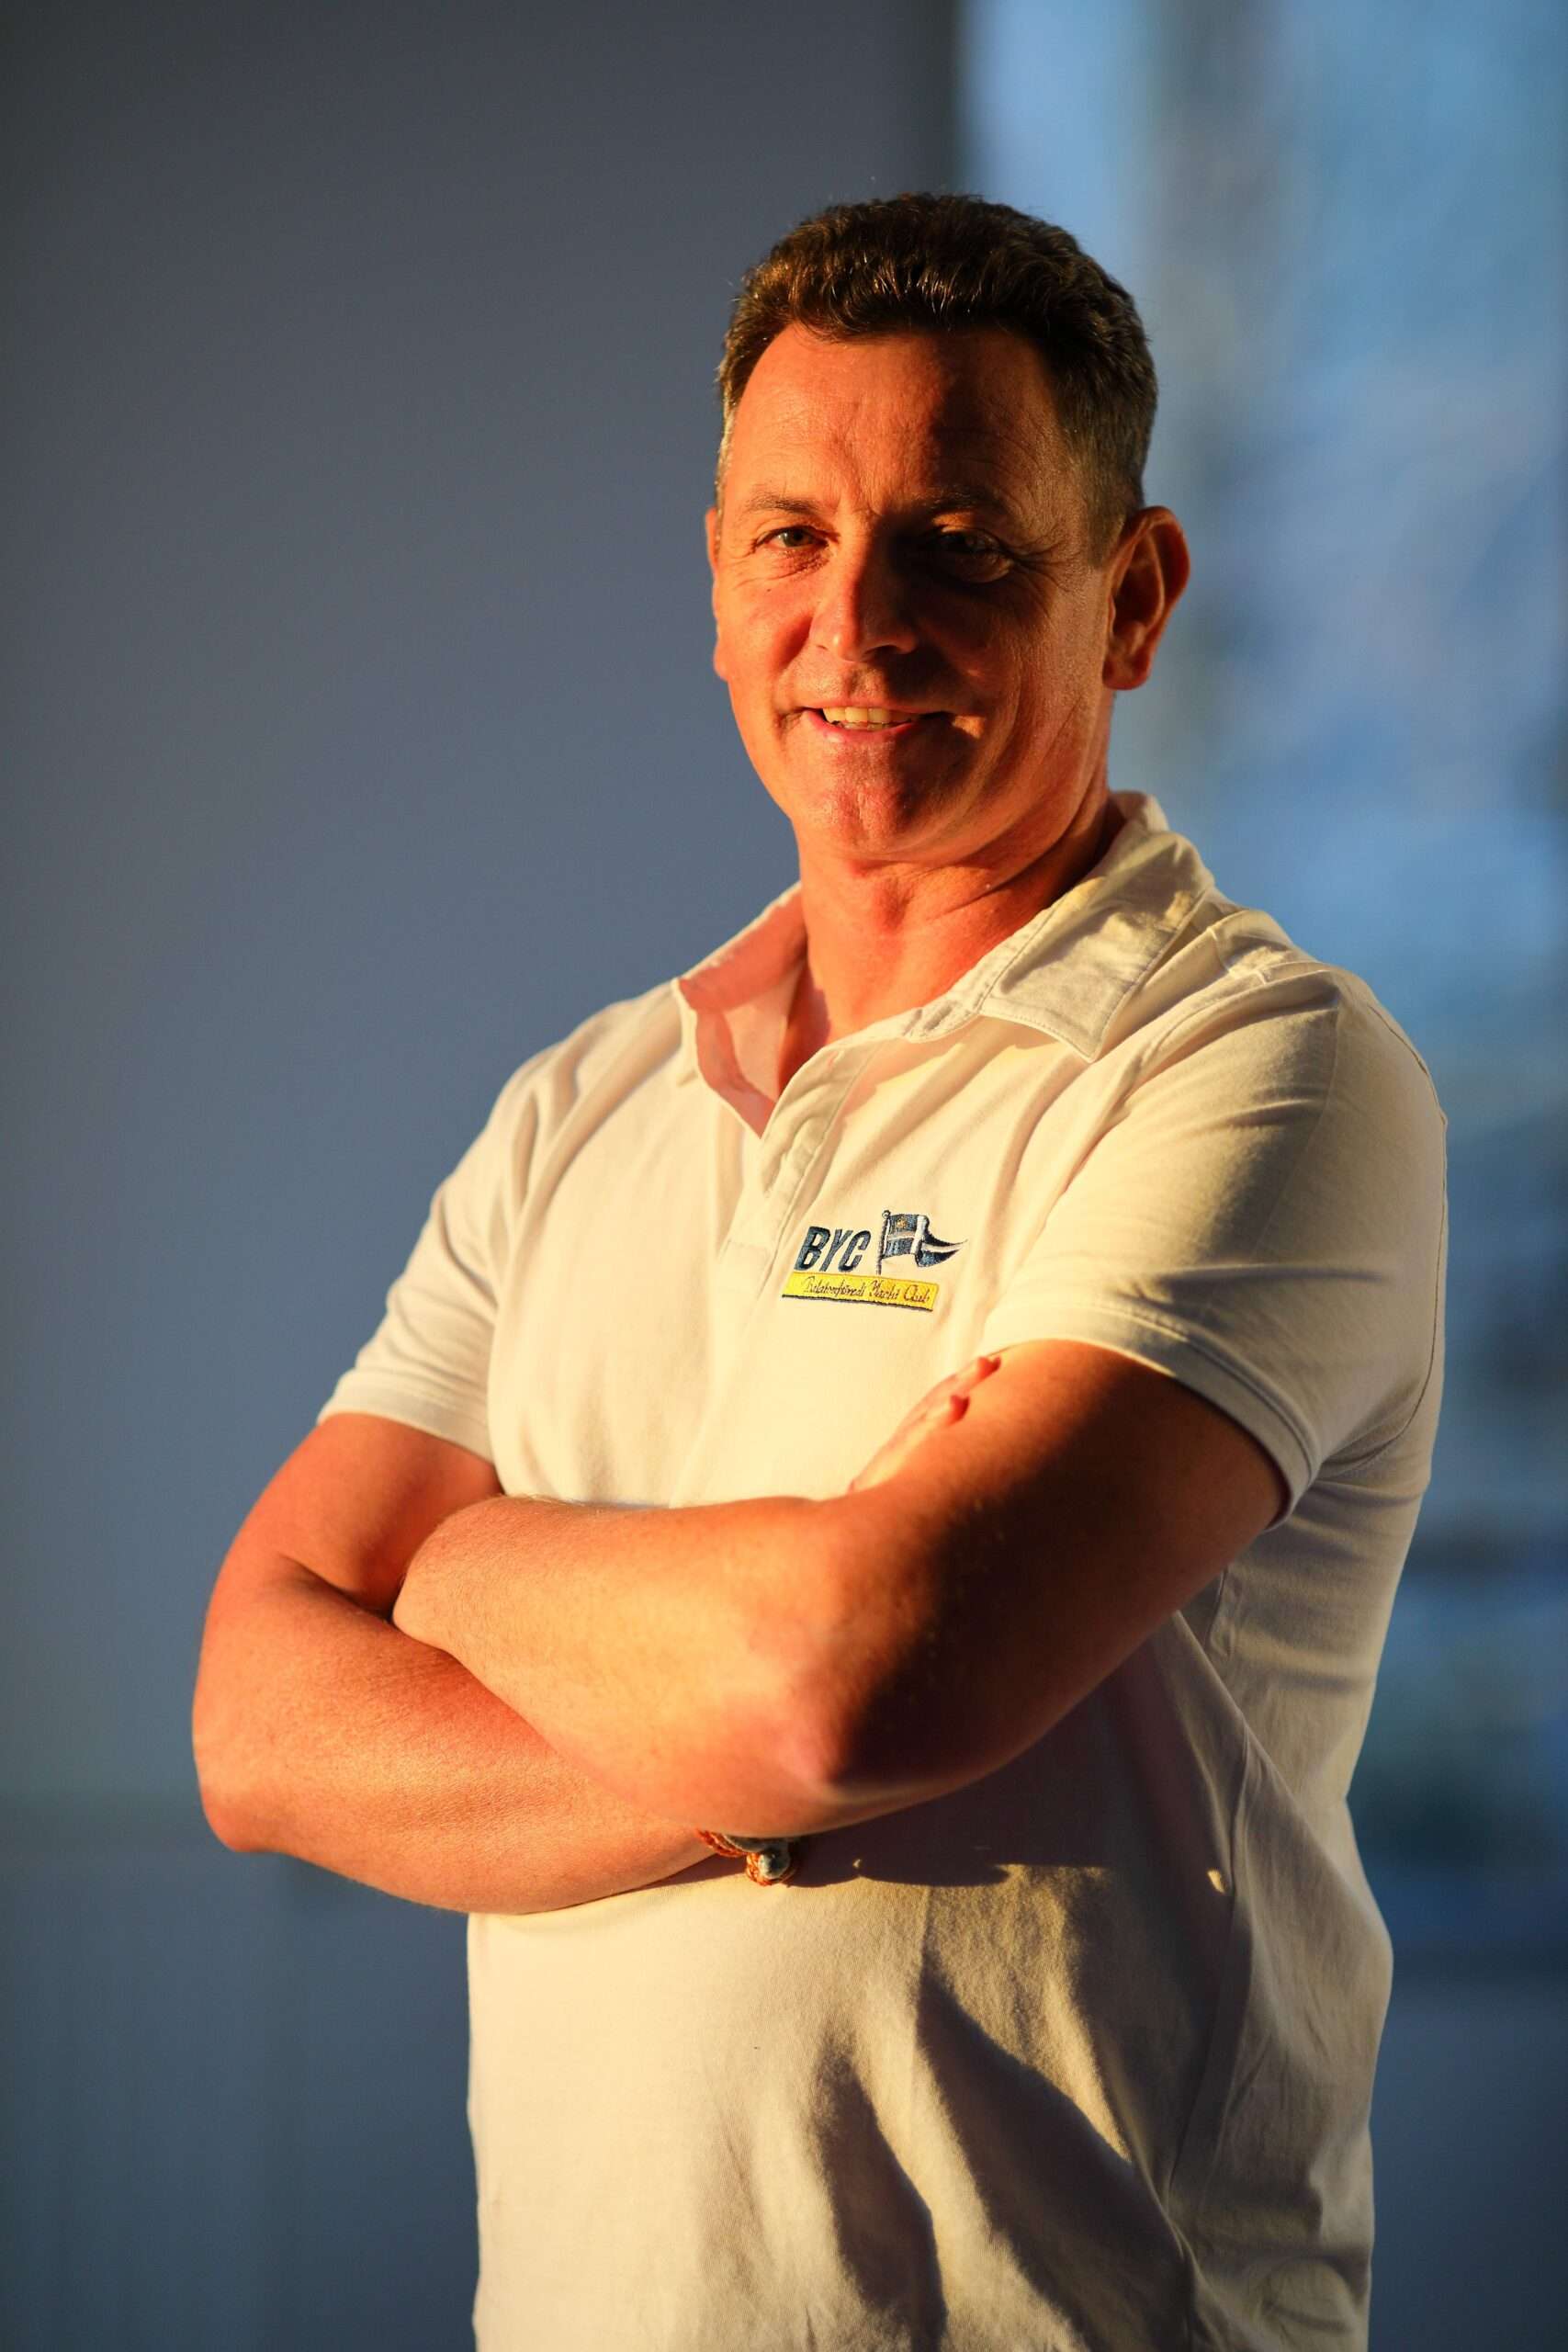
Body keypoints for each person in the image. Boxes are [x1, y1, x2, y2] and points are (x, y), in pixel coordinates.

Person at [193, 193, 1447, 2350]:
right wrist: (766, 1728)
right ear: (717, 579)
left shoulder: (1260, 1071)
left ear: (1129, 598)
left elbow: (850, 1679)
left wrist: (457, 1564)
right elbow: (255, 1724)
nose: (853, 623)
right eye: (791, 536)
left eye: (957, 544)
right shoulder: (581, 1106)